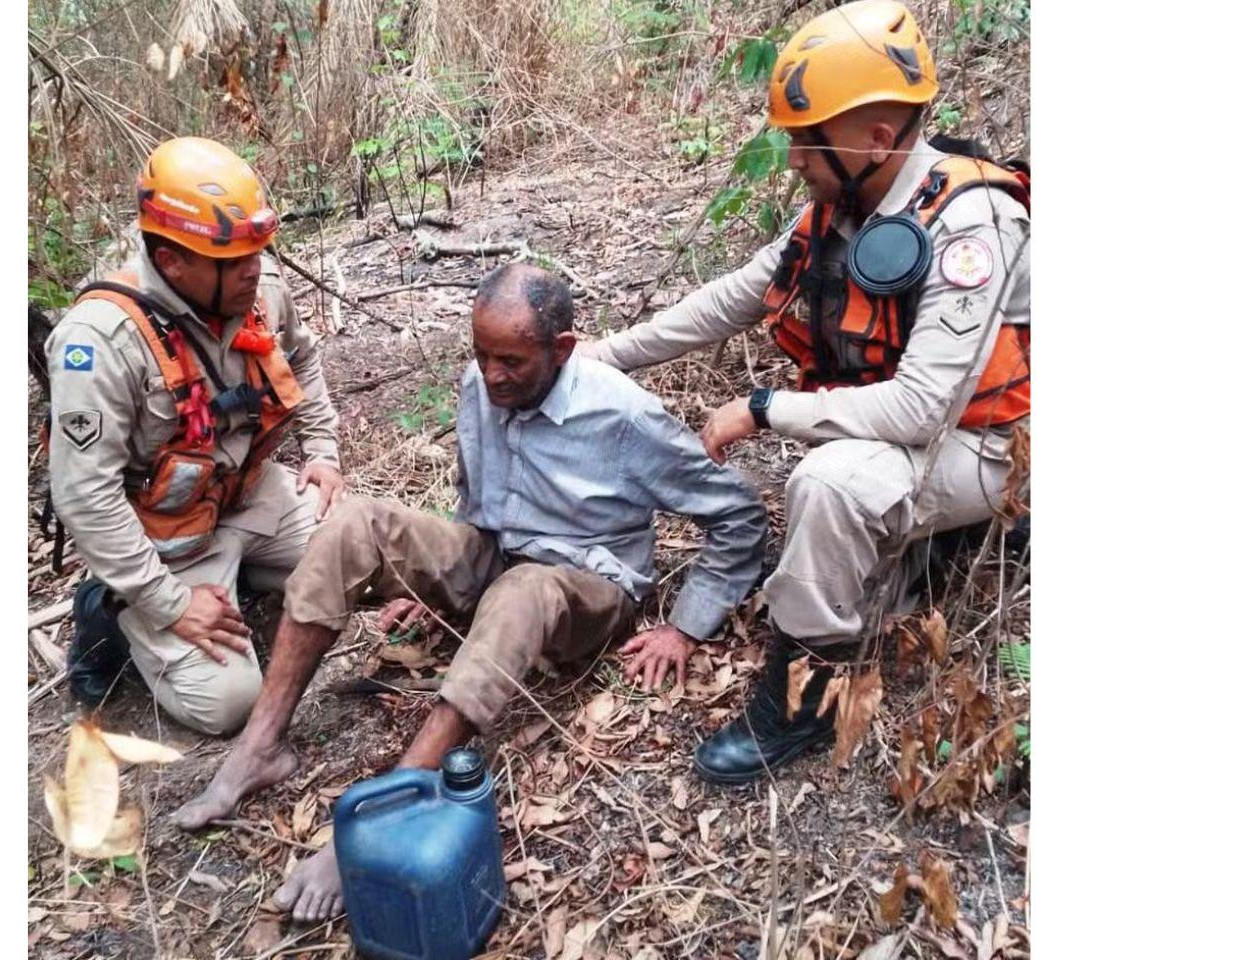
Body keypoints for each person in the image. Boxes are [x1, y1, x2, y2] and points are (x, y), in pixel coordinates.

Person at [170, 263, 769, 921]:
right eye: (480, 354)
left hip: (584, 589)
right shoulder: (482, 386)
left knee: (520, 591)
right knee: (354, 524)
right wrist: (438, 585)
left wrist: (686, 625)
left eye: (510, 360)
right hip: (498, 555)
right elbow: (476, 505)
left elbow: (737, 513)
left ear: (562, 350)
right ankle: (262, 744)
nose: (491, 374)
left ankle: (393, 800)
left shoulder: (621, 413)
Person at [579, 0, 1031, 784]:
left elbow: (923, 411)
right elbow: (733, 296)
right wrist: (609, 353)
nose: (792, 157)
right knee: (838, 491)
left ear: (877, 139)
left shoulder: (973, 225)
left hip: (988, 447)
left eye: (805, 140)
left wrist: (764, 409)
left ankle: (806, 701)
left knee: (824, 482)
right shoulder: (843, 205)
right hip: (912, 436)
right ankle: (921, 552)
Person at [45, 137, 345, 736]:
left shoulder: (256, 285)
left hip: (250, 495)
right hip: (166, 536)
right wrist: (172, 605)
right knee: (229, 704)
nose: (253, 269)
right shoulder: (101, 342)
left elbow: (303, 358)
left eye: (256, 251)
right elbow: (86, 496)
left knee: (352, 563)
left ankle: (245, 572)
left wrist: (323, 451)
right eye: (232, 260)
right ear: (172, 259)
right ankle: (117, 608)